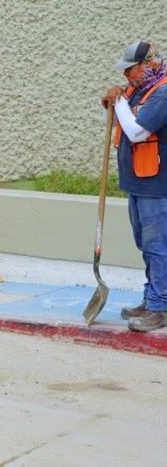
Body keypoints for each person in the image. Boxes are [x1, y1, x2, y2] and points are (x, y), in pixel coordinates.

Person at [102, 41, 167, 333]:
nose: (126, 75)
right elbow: (117, 122)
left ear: (148, 65)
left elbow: (138, 132)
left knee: (158, 248)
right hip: (138, 184)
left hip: (157, 187)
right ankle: (152, 298)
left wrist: (119, 102)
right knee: (146, 246)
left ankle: (159, 306)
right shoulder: (138, 90)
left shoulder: (163, 93)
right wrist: (112, 102)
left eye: (131, 69)